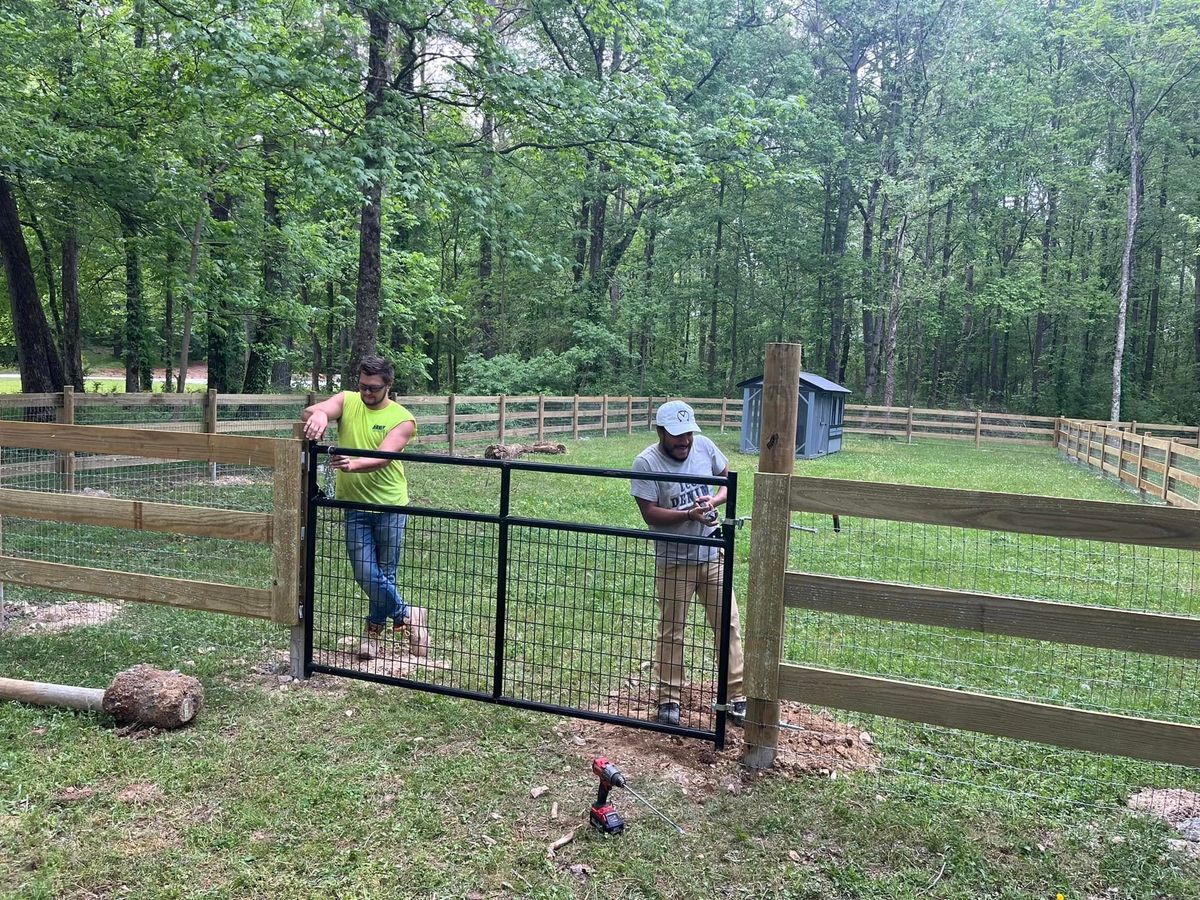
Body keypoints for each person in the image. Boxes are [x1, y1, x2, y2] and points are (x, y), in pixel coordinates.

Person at [301, 356, 429, 660]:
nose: (366, 393)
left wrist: (352, 464)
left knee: (385, 573)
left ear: (388, 385)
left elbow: (384, 456)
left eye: (373, 388)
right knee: (365, 572)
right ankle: (410, 614)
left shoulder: (403, 419)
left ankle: (372, 635)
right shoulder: (348, 400)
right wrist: (318, 414)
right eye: (362, 386)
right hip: (355, 506)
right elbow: (314, 411)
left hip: (390, 506)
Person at [630, 400, 746, 728]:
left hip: (711, 554)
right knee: (672, 631)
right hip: (674, 562)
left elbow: (726, 481)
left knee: (729, 625)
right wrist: (688, 515)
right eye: (677, 435)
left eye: (688, 434)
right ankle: (669, 699)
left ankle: (736, 696)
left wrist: (714, 499)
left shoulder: (705, 447)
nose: (684, 441)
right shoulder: (647, 463)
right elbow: (649, 513)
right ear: (661, 431)